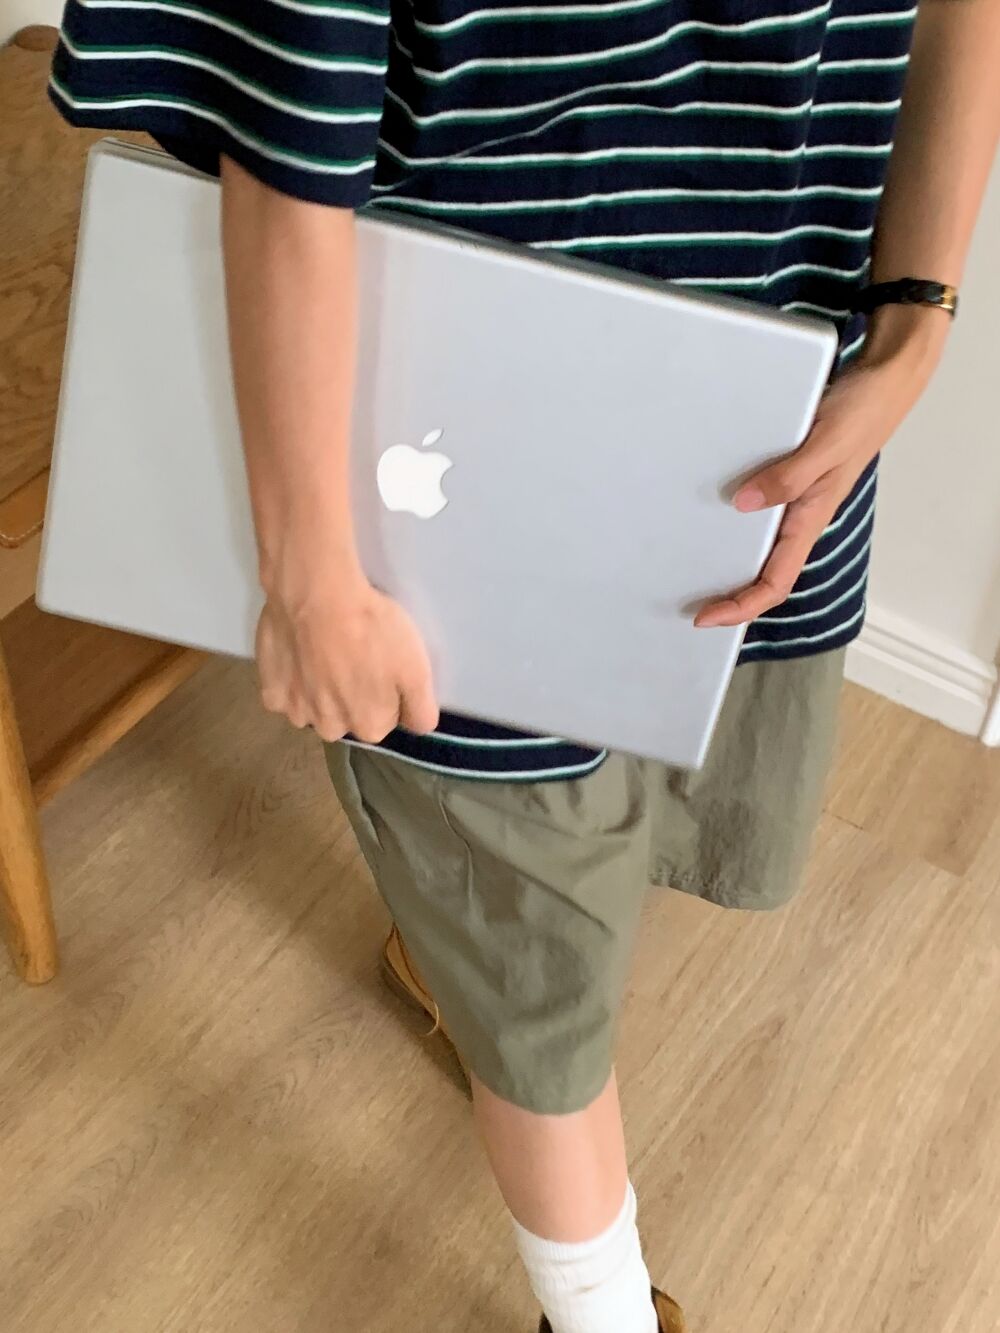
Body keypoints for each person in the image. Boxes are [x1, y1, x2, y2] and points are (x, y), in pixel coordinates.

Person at [50, 1, 1000, 1328]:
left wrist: (920, 313)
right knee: (531, 940)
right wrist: (311, 574)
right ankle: (597, 1307)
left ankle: (459, 968)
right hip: (462, 444)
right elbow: (280, 121)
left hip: (786, 405)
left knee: (606, 828)